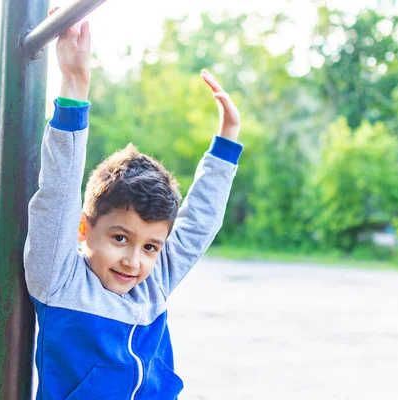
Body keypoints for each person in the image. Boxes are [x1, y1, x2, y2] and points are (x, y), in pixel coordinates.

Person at [24, 9, 243, 400]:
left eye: (150, 247)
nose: (133, 261)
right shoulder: (60, 281)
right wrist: (74, 84)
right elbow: (56, 193)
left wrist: (226, 142)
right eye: (121, 238)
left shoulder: (152, 283)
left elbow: (197, 226)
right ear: (83, 228)